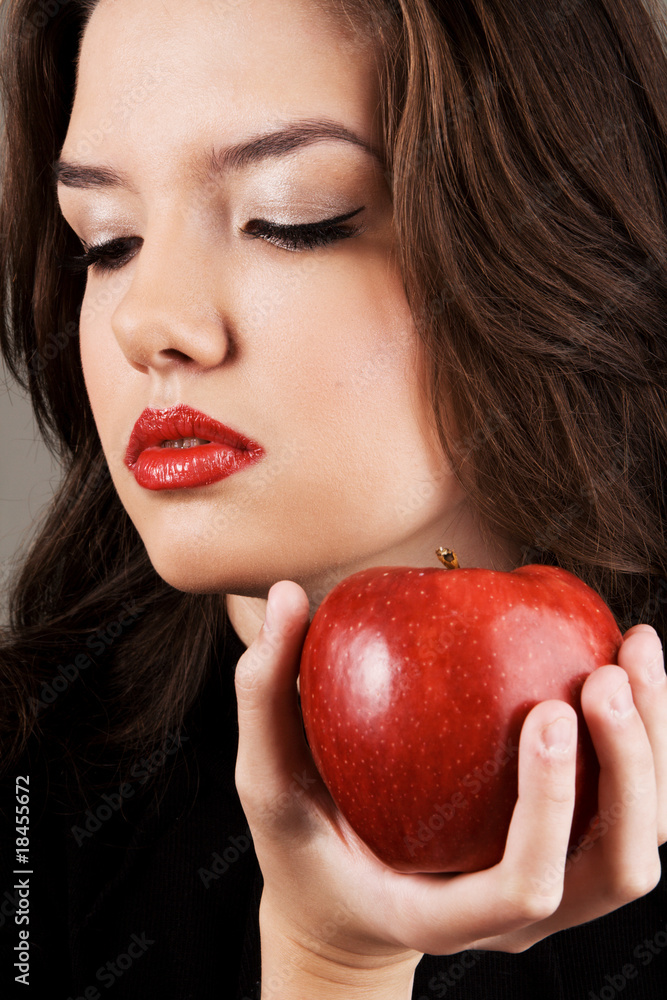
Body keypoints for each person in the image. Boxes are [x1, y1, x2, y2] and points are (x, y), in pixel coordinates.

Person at [0, 0, 665, 996]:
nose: (147, 322)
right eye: (107, 241)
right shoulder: (30, 793)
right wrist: (332, 963)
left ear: (543, 232)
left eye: (290, 218)